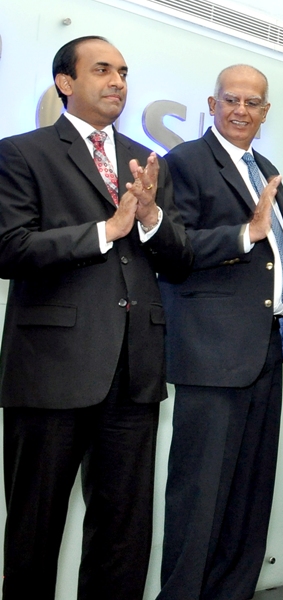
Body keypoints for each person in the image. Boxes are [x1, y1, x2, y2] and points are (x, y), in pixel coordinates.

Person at [0, 36, 192, 599]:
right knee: (35, 531)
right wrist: (106, 231)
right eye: (102, 70)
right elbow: (9, 248)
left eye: (124, 72)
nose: (117, 82)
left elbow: (177, 262)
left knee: (124, 533)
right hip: (52, 373)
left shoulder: (147, 159)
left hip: (134, 372)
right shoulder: (22, 152)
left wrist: (152, 217)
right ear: (65, 82)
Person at [156, 64, 283, 600]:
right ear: (211, 103)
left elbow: (271, 260)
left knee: (249, 496)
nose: (242, 111)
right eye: (232, 100)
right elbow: (172, 252)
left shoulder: (262, 164)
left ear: (266, 112)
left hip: (266, 350)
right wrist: (245, 232)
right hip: (212, 355)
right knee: (199, 500)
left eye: (253, 103)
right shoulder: (184, 162)